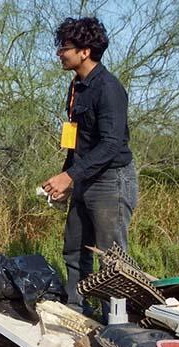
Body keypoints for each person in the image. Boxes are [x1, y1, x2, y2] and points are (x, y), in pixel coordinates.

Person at [42, 17, 138, 312]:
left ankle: (117, 325)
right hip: (84, 179)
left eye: (65, 47)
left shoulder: (108, 88)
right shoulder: (77, 87)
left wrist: (70, 176)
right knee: (75, 249)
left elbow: (111, 144)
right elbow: (76, 138)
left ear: (85, 51)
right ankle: (78, 313)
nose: (60, 53)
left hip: (111, 180)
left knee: (112, 259)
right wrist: (66, 178)